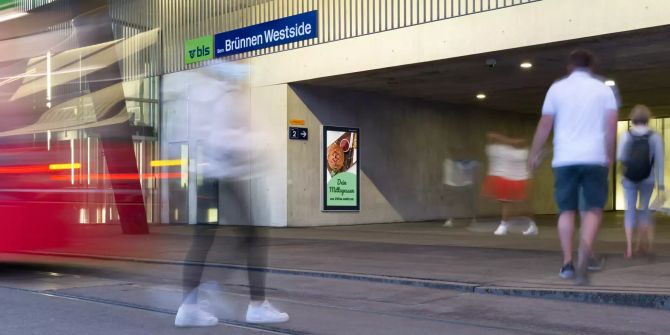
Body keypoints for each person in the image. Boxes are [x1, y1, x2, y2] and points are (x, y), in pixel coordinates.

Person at [165, 63, 289, 327]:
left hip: (208, 175)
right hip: (229, 175)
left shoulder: (204, 92)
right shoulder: (229, 95)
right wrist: (259, 147)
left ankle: (190, 305)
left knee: (206, 240)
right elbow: (229, 138)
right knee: (253, 238)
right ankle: (253, 304)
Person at [529, 49, 618, 285]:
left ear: (569, 67)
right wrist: (610, 156)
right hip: (594, 157)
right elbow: (610, 126)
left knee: (566, 211)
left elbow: (545, 124)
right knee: (593, 209)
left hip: (564, 159)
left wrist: (534, 153)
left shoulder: (556, 89)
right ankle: (584, 255)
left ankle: (567, 263)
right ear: (592, 67)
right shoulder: (603, 90)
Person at [618, 105, 664, 259]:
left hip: (629, 179)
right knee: (645, 211)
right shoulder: (655, 137)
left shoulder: (626, 135)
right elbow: (659, 162)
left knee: (629, 212)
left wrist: (623, 175)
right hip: (648, 178)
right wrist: (661, 184)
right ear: (648, 119)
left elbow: (621, 158)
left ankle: (630, 249)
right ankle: (645, 245)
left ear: (633, 118)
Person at [482, 132, 538, 236]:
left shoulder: (524, 153)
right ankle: (504, 226)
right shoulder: (500, 149)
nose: (517, 142)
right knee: (506, 203)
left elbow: (522, 145)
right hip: (506, 180)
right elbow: (490, 137)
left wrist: (507, 141)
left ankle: (532, 225)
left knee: (523, 208)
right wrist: (507, 140)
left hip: (521, 181)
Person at [443, 144, 479, 227]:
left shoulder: (465, 162)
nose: (453, 154)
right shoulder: (448, 162)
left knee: (469, 203)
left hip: (465, 185)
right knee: (450, 203)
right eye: (452, 152)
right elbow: (447, 174)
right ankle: (449, 220)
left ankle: (474, 219)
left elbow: (473, 166)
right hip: (451, 185)